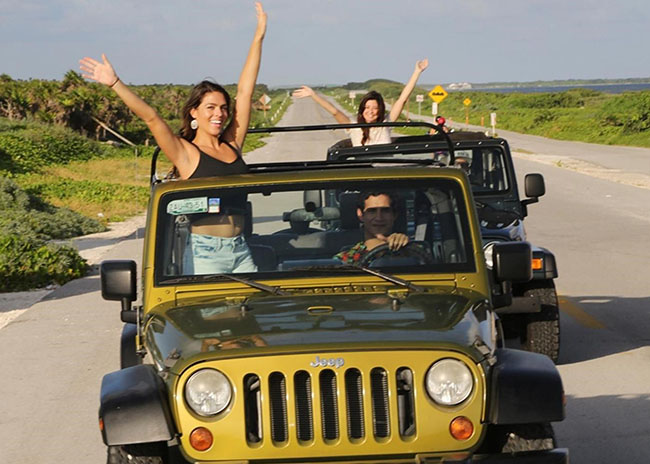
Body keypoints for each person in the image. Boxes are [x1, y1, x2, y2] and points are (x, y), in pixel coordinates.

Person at [79, 3, 267, 275]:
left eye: (223, 108)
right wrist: (115, 83)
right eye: (210, 108)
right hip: (206, 253)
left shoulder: (232, 145)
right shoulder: (185, 153)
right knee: (212, 318)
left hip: (241, 249)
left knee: (247, 316)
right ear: (194, 112)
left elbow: (245, 91)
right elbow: (152, 118)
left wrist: (259, 36)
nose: (219, 114)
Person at [292, 59, 428, 146]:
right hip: (364, 179)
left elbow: (402, 99)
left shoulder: (386, 124)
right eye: (367, 107)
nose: (370, 111)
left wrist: (417, 72)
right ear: (362, 109)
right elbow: (335, 112)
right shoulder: (353, 127)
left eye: (375, 108)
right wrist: (314, 95)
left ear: (380, 110)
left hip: (385, 175)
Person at [334, 191, 409, 264]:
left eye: (385, 211)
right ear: (360, 214)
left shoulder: (412, 251)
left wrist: (403, 247)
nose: (379, 218)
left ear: (394, 215)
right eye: (372, 211)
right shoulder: (344, 259)